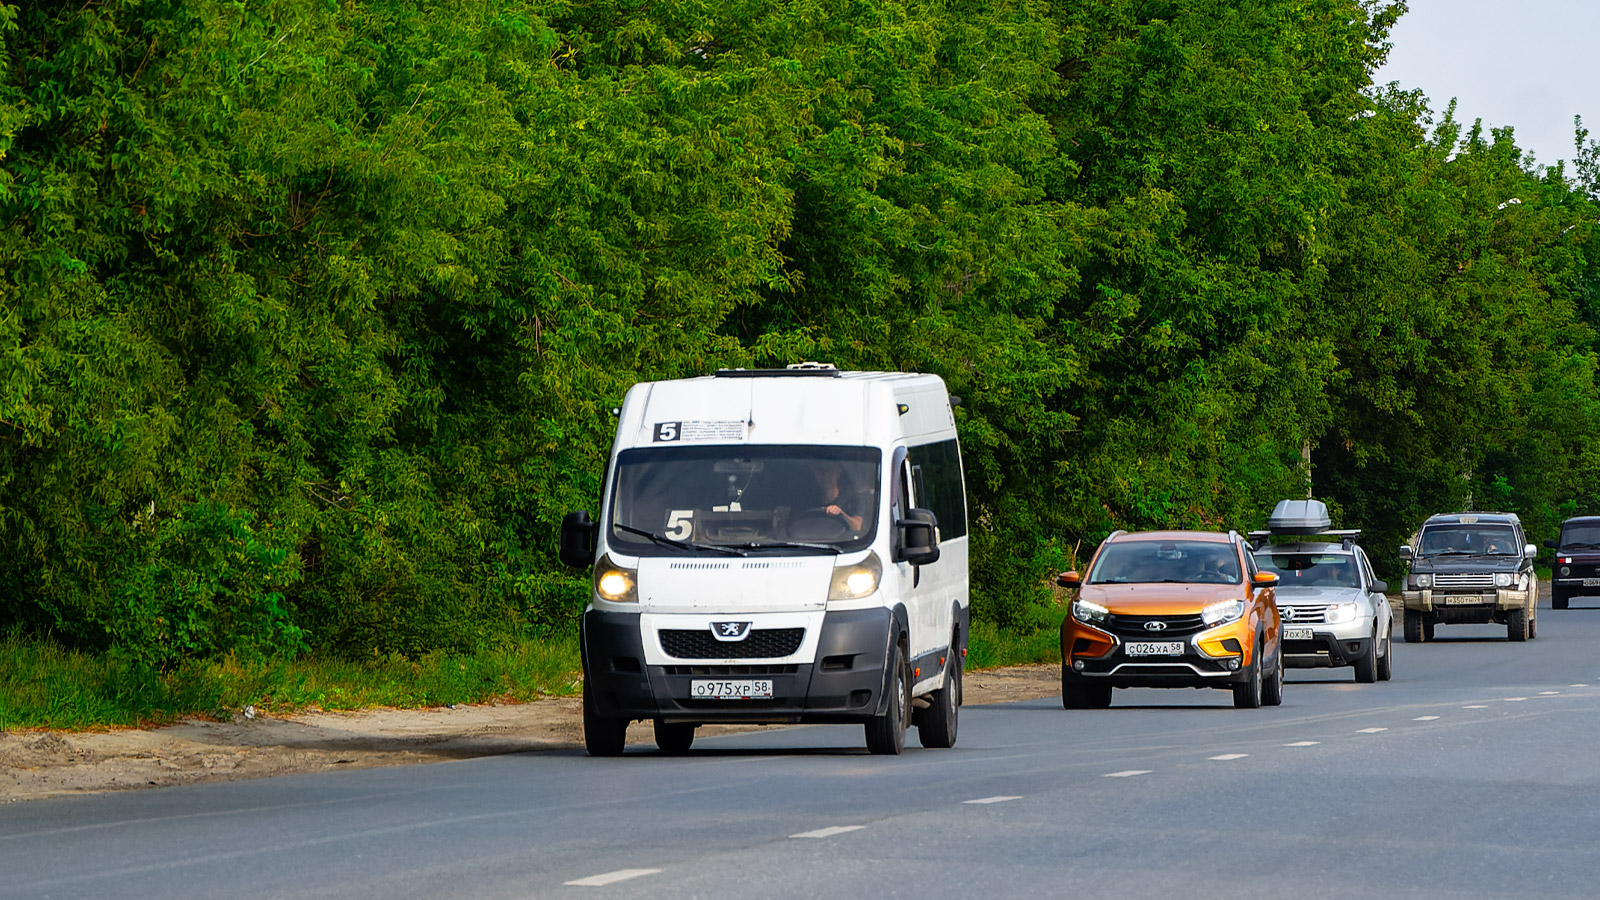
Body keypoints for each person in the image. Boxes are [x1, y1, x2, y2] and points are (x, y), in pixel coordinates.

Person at [808, 460, 866, 533]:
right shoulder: (808, 499)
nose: (825, 475)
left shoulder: (853, 498)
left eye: (829, 470)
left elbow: (857, 526)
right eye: (820, 471)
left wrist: (842, 514)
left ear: (838, 471)